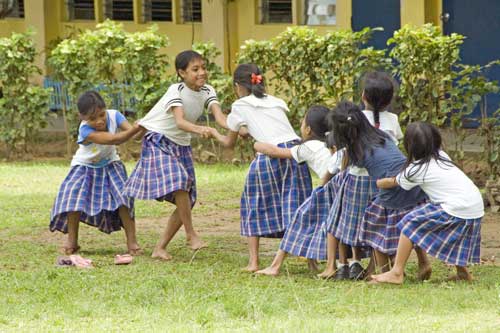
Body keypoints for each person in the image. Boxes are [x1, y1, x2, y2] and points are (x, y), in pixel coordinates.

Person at [124, 50, 228, 260]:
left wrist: (239, 128)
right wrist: (201, 130)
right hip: (159, 140)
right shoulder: (175, 90)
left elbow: (220, 118)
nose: (202, 73)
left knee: (188, 199)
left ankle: (159, 248)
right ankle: (190, 235)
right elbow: (180, 121)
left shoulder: (208, 90)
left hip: (181, 146)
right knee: (180, 182)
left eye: (203, 68)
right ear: (182, 73)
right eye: (195, 69)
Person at [212, 63, 312, 272]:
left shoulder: (240, 105)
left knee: (253, 202)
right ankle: (310, 258)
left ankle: (254, 261)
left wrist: (213, 128)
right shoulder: (277, 102)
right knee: (296, 204)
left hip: (269, 153)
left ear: (238, 86)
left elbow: (229, 141)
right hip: (294, 152)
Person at [326, 101, 429, 277]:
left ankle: (384, 271)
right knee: (410, 225)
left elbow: (348, 170)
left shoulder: (355, 149)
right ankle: (423, 262)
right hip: (410, 182)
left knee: (374, 226)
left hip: (391, 189)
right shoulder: (380, 134)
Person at [371, 122, 483, 284]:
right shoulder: (442, 156)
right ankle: (463, 273)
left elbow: (394, 181)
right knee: (454, 234)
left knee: (409, 223)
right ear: (436, 140)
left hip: (455, 208)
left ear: (409, 146)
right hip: (474, 207)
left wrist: (379, 183)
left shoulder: (415, 169)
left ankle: (396, 272)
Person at [319, 71, 403, 280]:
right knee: (375, 223)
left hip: (355, 179)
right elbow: (396, 144)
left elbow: (345, 155)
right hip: (380, 181)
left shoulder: (355, 117)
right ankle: (368, 265)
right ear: (389, 99)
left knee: (338, 220)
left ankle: (336, 264)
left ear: (363, 95)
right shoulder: (392, 119)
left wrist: (328, 178)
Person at [253, 105, 345, 276]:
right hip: (343, 188)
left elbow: (276, 152)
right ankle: (319, 264)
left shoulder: (308, 147)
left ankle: (275, 266)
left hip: (328, 189)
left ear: (308, 130)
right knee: (326, 226)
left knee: (299, 221)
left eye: (303, 123)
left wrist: (257, 144)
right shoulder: (332, 144)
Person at [50, 91, 141, 255]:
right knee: (72, 199)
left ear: (106, 109)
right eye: (93, 119)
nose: (99, 121)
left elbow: (135, 135)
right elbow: (114, 139)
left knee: (124, 199)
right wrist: (134, 129)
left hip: (111, 163)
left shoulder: (114, 116)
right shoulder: (84, 130)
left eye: (101, 114)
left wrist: (141, 126)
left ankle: (132, 242)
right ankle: (72, 241)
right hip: (85, 166)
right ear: (82, 117)